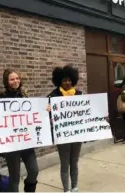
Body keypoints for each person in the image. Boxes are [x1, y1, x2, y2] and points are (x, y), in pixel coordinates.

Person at [0, 68, 39, 192]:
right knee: (15, 177)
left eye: (17, 78)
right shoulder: (0, 98)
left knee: (34, 170)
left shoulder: (24, 96)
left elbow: (31, 114)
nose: (15, 81)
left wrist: (43, 110)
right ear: (6, 81)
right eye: (12, 79)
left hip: (25, 140)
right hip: (11, 143)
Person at [48, 65, 82, 193]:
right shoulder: (53, 96)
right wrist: (49, 114)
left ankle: (75, 187)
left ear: (73, 80)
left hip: (77, 134)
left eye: (69, 80)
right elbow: (46, 114)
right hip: (62, 136)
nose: (67, 82)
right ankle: (66, 190)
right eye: (63, 80)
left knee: (74, 162)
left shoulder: (79, 94)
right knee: (65, 164)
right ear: (59, 81)